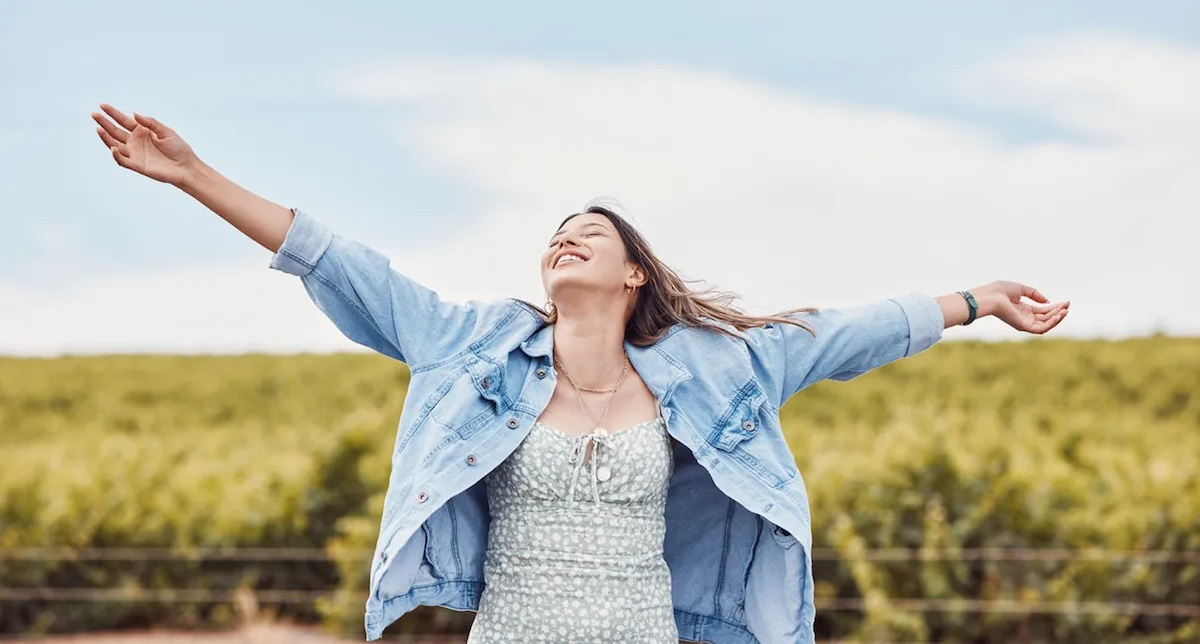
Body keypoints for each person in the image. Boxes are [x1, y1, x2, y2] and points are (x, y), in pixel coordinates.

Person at [92, 103, 1069, 644]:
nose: (567, 237)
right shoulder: (473, 346)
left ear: (635, 271)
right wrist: (195, 175)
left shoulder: (718, 367)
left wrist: (976, 298)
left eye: (591, 232)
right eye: (557, 233)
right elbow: (341, 263)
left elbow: (845, 332)